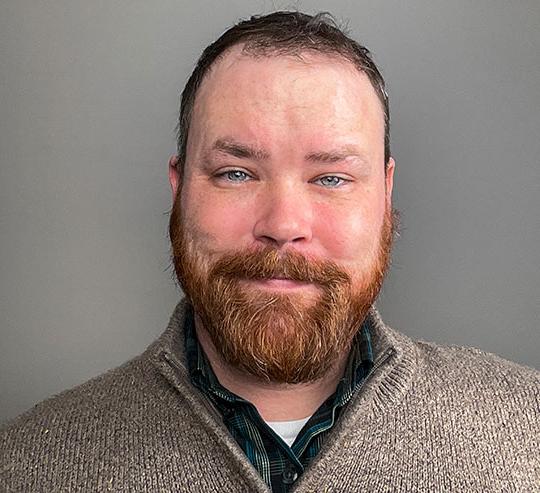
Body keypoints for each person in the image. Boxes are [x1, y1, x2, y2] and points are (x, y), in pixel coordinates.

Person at [1, 11, 538, 493]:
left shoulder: (527, 427)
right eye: (236, 174)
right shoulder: (23, 466)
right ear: (180, 187)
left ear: (385, 195)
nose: (283, 225)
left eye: (330, 178)